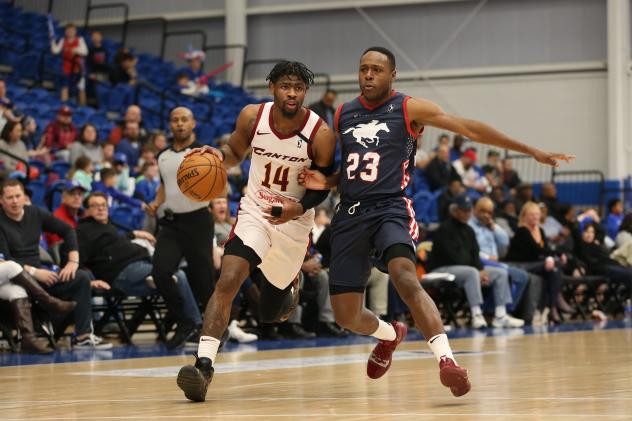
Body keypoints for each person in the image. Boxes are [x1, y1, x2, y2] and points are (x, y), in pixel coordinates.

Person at [300, 47, 573, 397]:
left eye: (377, 70)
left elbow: (469, 129)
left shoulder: (410, 108)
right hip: (350, 213)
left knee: (404, 277)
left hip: (390, 208)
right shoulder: (344, 113)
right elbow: (354, 168)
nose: (368, 75)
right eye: (363, 69)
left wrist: (530, 150)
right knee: (346, 316)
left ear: (392, 75)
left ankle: (447, 360)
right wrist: (329, 181)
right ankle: (389, 334)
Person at [176, 61, 334, 402]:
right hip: (256, 210)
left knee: (269, 314)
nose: (292, 93)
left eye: (299, 88)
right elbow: (234, 152)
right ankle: (203, 366)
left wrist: (300, 206)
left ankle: (290, 286)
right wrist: (216, 157)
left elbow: (325, 185)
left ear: (305, 93)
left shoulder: (320, 132)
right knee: (228, 279)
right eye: (285, 86)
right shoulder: (252, 116)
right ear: (272, 88)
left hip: (293, 222)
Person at [77, 191, 202, 346]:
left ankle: (185, 323)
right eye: (95, 206)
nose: (101, 209)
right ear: (87, 211)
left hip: (141, 267)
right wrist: (91, 281)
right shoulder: (83, 231)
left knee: (188, 274)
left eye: (103, 205)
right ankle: (194, 327)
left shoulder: (108, 228)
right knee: (177, 275)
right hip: (123, 273)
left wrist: (133, 234)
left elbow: (113, 243)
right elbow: (75, 259)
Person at [0, 179, 110, 348]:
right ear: (1, 200)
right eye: (9, 197)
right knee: (19, 284)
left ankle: (83, 336)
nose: (14, 201)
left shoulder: (35, 212)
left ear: (24, 197)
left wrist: (73, 261)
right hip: (16, 278)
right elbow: (6, 258)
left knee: (80, 278)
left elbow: (68, 230)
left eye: (18, 196)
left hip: (42, 277)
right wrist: (35, 272)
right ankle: (48, 309)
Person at [146, 107, 216, 350]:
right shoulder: (163, 155)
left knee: (204, 281)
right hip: (172, 223)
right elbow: (165, 186)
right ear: (170, 124)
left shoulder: (203, 153)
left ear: (193, 123)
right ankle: (186, 321)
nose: (179, 124)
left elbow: (217, 182)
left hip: (198, 221)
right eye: (175, 120)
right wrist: (156, 202)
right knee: (160, 272)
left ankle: (216, 331)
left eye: (184, 119)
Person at [50, 23, 87, 105]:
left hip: (79, 68)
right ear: (65, 32)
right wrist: (52, 41)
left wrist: (76, 50)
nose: (70, 32)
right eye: (68, 30)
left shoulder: (80, 39)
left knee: (81, 88)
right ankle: (64, 106)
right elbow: (55, 51)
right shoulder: (63, 40)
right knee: (65, 86)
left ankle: (83, 108)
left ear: (75, 31)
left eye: (72, 30)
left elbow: (85, 52)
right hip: (66, 67)